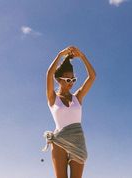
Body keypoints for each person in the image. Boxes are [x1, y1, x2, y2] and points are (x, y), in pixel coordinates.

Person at [43, 46, 96, 178]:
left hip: (78, 141)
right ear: (58, 80)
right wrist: (60, 54)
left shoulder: (77, 97)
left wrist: (82, 56)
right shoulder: (52, 98)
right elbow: (49, 74)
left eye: (73, 79)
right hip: (59, 140)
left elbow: (92, 76)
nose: (71, 82)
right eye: (68, 79)